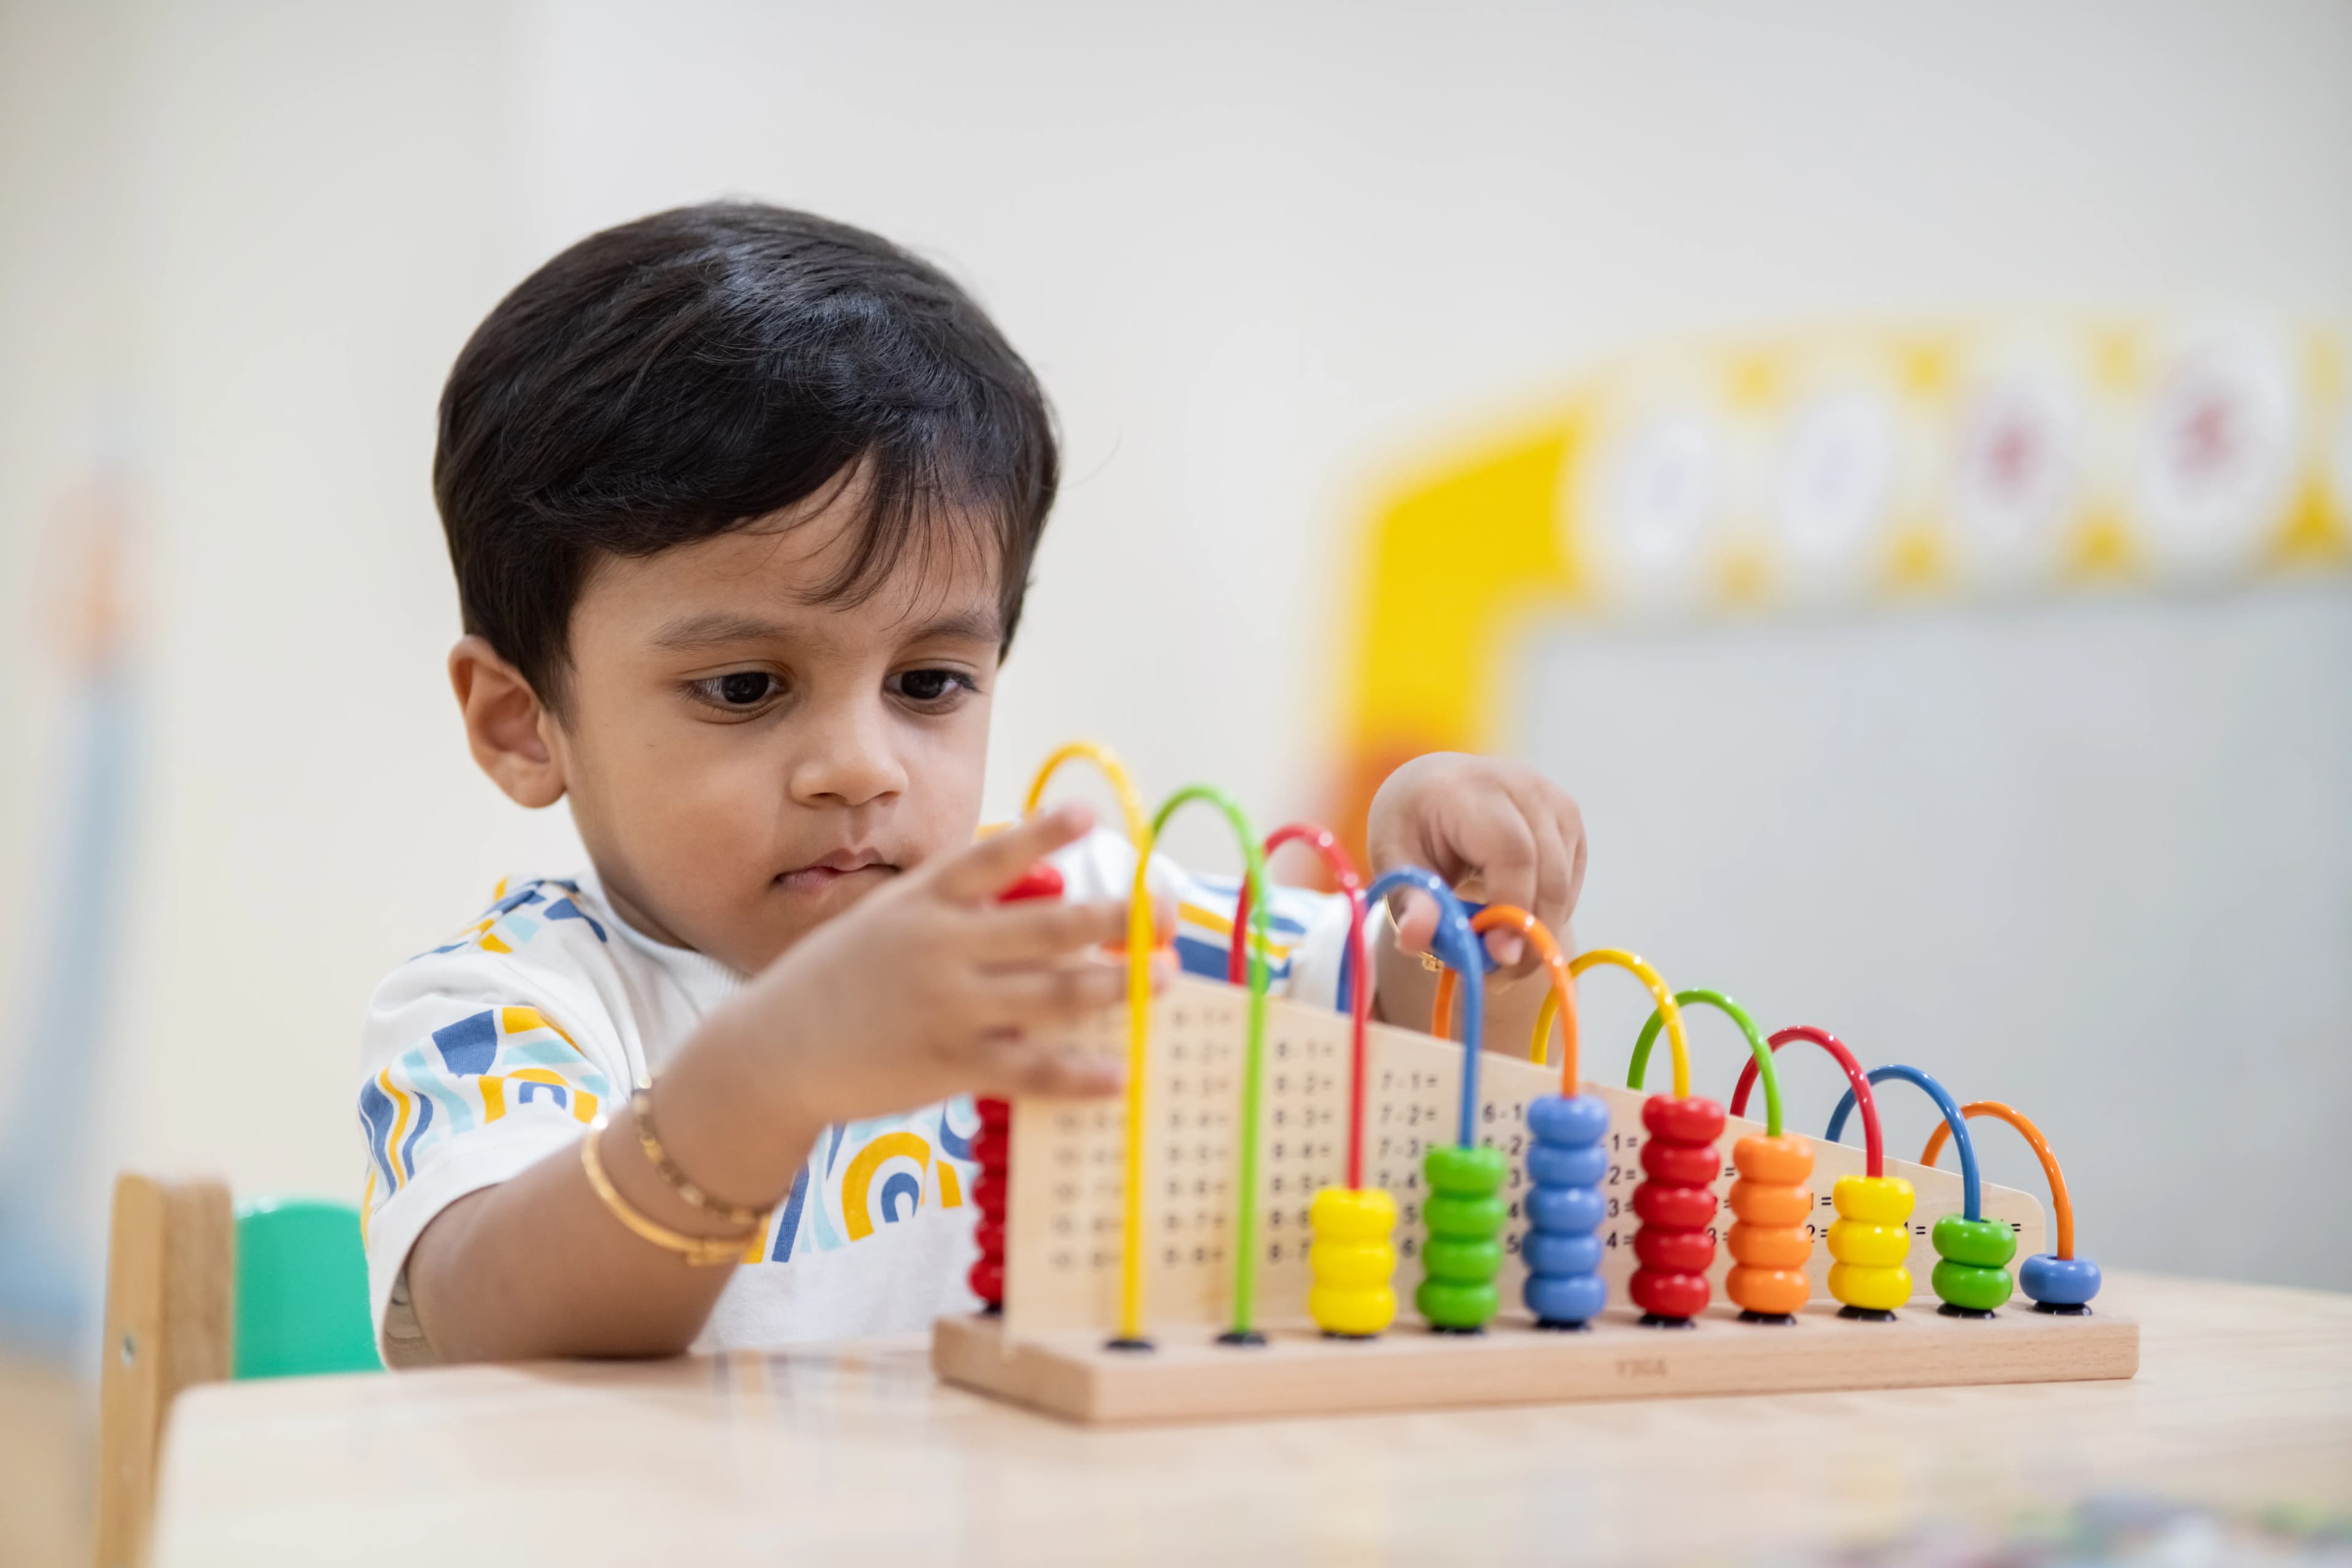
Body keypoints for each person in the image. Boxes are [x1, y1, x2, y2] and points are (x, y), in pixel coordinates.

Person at [359, 203, 1586, 1365]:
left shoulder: (1074, 923)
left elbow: (1425, 1045)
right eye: (745, 687)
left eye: (930, 682)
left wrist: (1464, 913)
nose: (862, 765)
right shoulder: (508, 1007)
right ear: (525, 722)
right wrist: (764, 1076)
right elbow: (490, 1315)